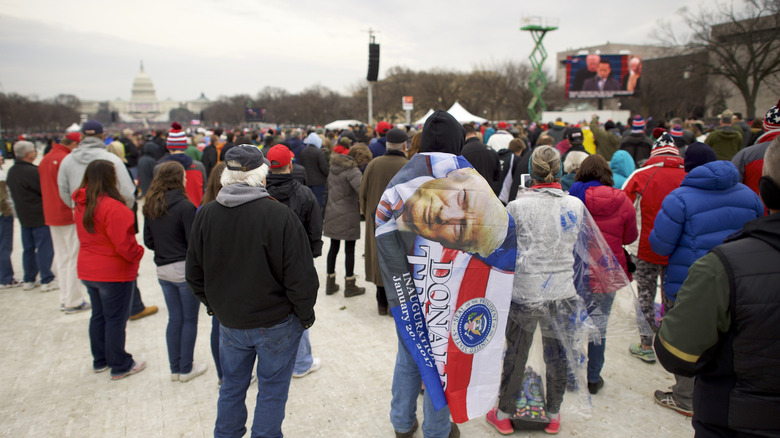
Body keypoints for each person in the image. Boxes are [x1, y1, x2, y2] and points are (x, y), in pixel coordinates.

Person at [186, 145, 317, 438]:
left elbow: (194, 274)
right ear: (262, 176)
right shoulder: (277, 215)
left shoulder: (207, 214)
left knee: (232, 387)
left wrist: (214, 306)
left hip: (233, 321)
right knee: (270, 391)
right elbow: (302, 278)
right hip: (272, 323)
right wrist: (305, 316)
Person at [655, 137, 780, 436]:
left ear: (768, 190)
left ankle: (684, 395)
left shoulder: (679, 198)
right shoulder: (747, 196)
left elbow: (660, 244)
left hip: (735, 420)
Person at [488, 145, 587, 435]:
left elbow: (504, 245)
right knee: (556, 355)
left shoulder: (518, 206)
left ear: (531, 171)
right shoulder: (575, 205)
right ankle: (553, 413)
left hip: (527, 290)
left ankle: (504, 413)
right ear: (558, 170)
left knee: (516, 353)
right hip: (562, 289)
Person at [58, 120, 157, 320]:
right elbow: (129, 193)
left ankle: (82, 301)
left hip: (82, 218)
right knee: (120, 258)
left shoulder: (68, 161)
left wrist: (79, 208)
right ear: (103, 136)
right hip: (111, 216)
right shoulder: (110, 159)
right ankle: (134, 306)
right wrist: (119, 212)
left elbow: (63, 190)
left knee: (86, 263)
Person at [569, 154, 638, 394]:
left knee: (572, 323)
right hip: (607, 272)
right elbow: (630, 237)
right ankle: (593, 377)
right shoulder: (622, 200)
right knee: (599, 326)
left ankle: (569, 374)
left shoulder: (573, 197)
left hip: (577, 271)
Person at [74, 160, 146, 380]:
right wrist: (139, 253)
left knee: (99, 315)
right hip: (113, 271)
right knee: (115, 318)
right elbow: (125, 245)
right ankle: (120, 364)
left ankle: (100, 359)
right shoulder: (113, 208)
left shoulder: (81, 203)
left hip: (88, 268)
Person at [623, 133, 686, 363]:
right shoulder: (688, 175)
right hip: (678, 249)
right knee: (673, 295)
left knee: (646, 294)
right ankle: (669, 344)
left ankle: (646, 344)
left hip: (646, 247)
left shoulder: (641, 175)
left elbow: (624, 206)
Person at [143, 161, 206, 383]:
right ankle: (186, 367)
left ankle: (175, 367)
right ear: (178, 179)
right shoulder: (185, 207)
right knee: (189, 319)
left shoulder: (150, 204)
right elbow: (194, 243)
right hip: (183, 268)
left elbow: (148, 241)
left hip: (163, 269)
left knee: (175, 318)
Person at [265, 144, 323, 378]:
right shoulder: (304, 194)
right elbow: (315, 230)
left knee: (270, 308)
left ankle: (276, 361)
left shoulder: (259, 193)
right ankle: (301, 362)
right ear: (290, 164)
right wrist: (310, 255)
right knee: (299, 308)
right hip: (297, 261)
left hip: (267, 260)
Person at [359, 128, 409, 315]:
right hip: (401, 223)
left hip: (377, 221)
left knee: (380, 261)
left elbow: (362, 194)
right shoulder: (408, 166)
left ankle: (381, 304)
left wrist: (367, 213)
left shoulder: (373, 164)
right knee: (399, 263)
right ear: (405, 145)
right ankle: (396, 306)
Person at [39, 132, 89, 312]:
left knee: (62, 257)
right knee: (74, 257)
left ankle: (65, 296)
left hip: (51, 213)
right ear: (74, 144)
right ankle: (74, 300)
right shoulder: (66, 159)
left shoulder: (46, 159)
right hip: (67, 213)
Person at [6, 141, 57, 292]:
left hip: (24, 214)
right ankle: (46, 278)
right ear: (28, 154)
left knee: (28, 248)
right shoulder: (33, 172)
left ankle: (29, 278)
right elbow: (45, 190)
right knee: (44, 247)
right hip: (39, 214)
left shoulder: (13, 171)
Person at [322, 139, 365, 297]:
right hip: (348, 214)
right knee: (350, 249)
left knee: (333, 247)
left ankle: (330, 283)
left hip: (332, 211)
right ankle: (350, 284)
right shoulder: (353, 171)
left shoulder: (334, 167)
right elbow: (362, 190)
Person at [154, 123, 207, 207]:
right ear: (185, 146)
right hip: (196, 213)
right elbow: (204, 191)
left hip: (169, 214)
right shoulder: (199, 166)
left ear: (169, 147)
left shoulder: (160, 168)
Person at [461, 123, 501, 194]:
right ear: (475, 133)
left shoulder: (462, 152)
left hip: (470, 195)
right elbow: (498, 177)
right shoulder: (491, 151)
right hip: (489, 194)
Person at [0, 154, 19, 289]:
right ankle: (6, 277)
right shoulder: (1, 176)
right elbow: (3, 199)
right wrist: (9, 213)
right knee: (4, 246)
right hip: (3, 216)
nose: (2, 158)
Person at [297, 132, 329, 211]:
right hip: (319, 182)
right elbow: (324, 168)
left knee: (309, 202)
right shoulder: (318, 152)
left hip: (307, 181)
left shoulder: (303, 151)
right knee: (318, 203)